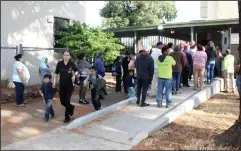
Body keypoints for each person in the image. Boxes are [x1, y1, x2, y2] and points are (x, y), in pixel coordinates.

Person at [53, 50, 77, 123]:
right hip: (62, 84)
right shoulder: (59, 63)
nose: (66, 56)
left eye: (67, 55)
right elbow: (56, 73)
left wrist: (74, 76)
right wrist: (54, 82)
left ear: (69, 56)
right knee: (62, 102)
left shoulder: (72, 64)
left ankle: (67, 117)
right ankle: (71, 107)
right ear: (63, 56)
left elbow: (76, 71)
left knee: (67, 100)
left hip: (70, 85)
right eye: (65, 55)